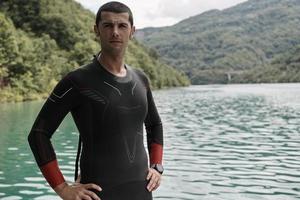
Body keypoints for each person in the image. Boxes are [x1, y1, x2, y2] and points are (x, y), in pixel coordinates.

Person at [27, 1, 164, 200]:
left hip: (141, 191)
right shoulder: (77, 81)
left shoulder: (141, 79)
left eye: (122, 26)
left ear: (132, 31)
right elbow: (38, 135)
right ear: (96, 30)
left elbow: (154, 124)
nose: (115, 32)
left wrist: (157, 166)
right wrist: (62, 188)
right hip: (97, 194)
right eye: (108, 25)